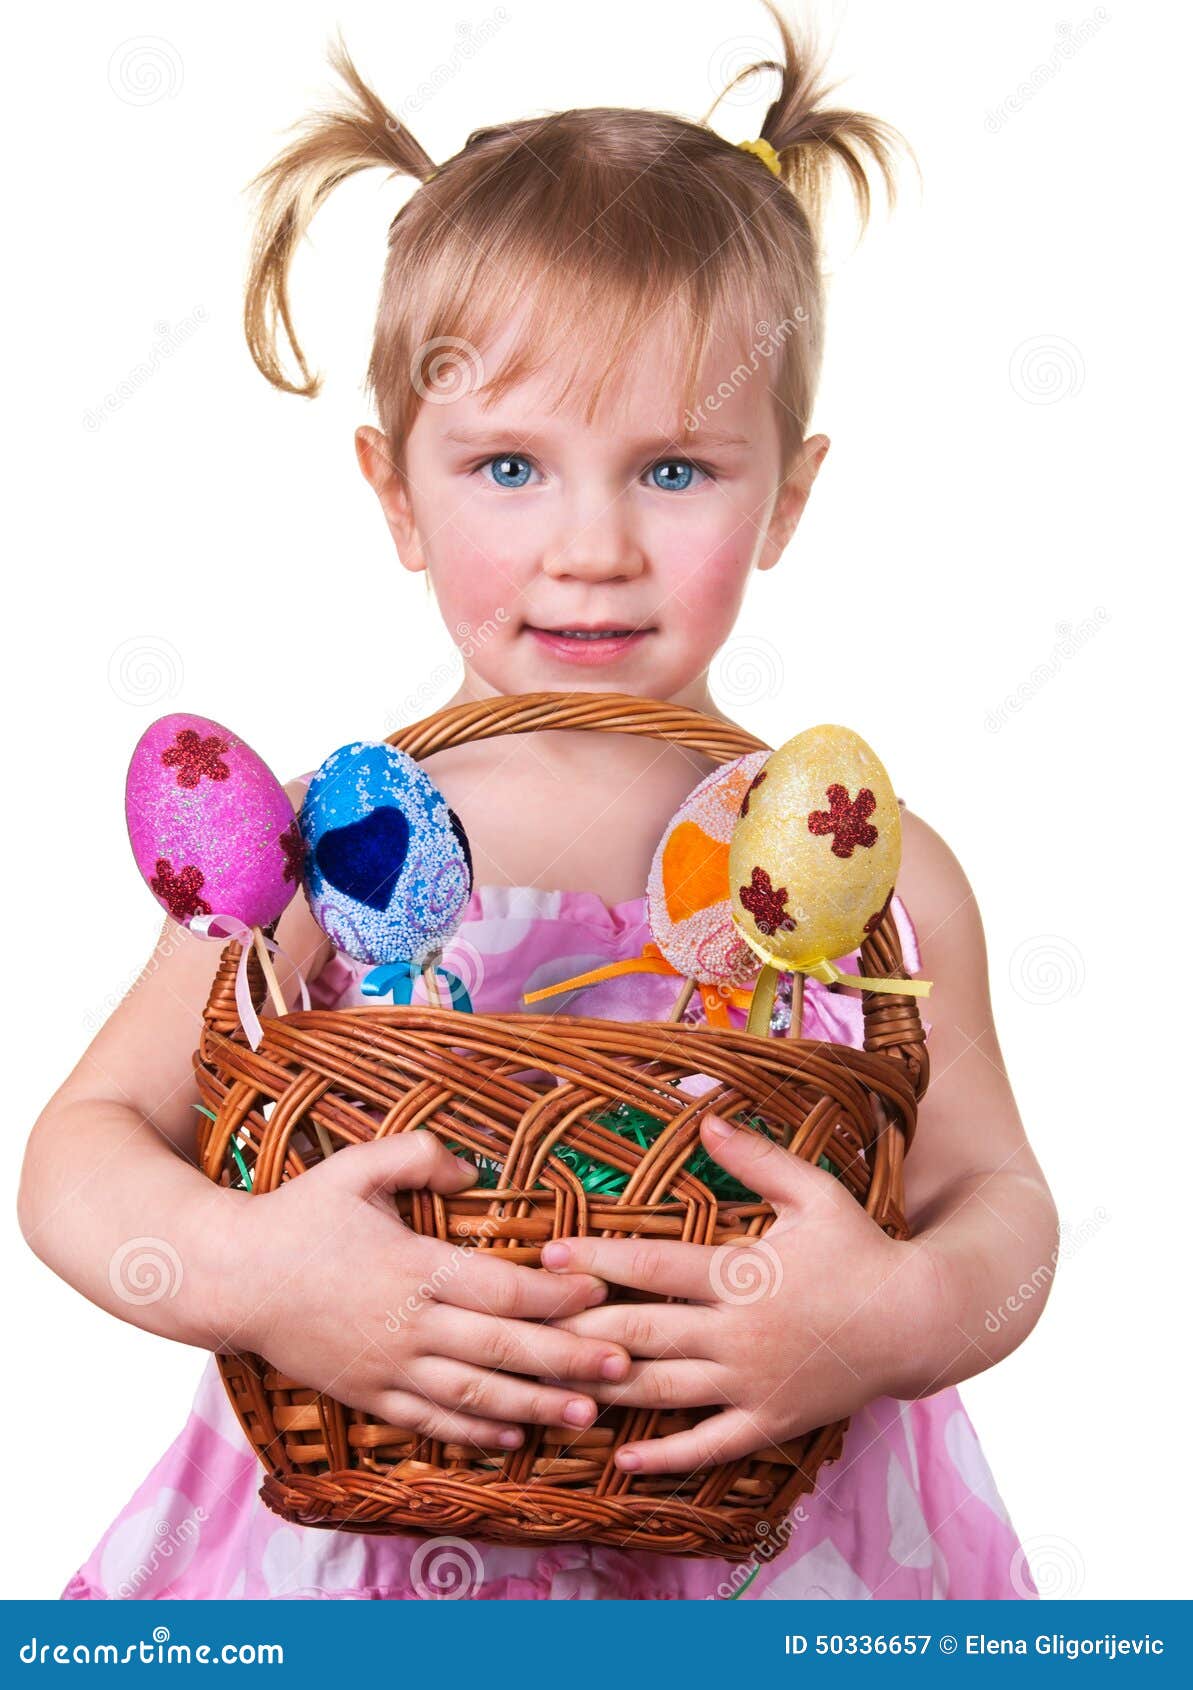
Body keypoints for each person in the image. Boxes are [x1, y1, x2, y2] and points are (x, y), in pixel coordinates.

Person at [20, 1, 1057, 1600]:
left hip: (774, 1567)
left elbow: (998, 1201)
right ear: (395, 491)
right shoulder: (328, 843)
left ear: (786, 493)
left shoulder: (865, 872)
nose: (592, 546)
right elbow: (79, 1155)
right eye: (508, 467)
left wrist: (890, 1320)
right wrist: (257, 1274)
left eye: (673, 468)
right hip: (370, 1545)